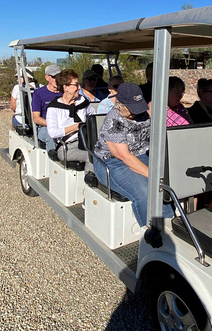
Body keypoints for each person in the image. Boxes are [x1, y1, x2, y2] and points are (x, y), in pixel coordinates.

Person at [93, 83, 174, 227]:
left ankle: (170, 226)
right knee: (145, 192)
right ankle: (152, 234)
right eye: (131, 109)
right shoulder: (114, 121)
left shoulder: (141, 112)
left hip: (140, 154)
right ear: (119, 104)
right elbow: (124, 156)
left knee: (169, 181)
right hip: (111, 162)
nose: (135, 113)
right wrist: (154, 175)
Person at [46, 69, 96, 172]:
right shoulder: (54, 108)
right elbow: (52, 132)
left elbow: (94, 116)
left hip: (86, 140)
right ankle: (89, 184)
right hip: (67, 147)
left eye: (79, 84)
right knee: (91, 156)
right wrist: (76, 127)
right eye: (76, 85)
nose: (79, 88)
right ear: (65, 87)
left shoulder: (82, 102)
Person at [32, 64, 62, 151]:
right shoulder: (38, 93)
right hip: (45, 127)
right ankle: (52, 161)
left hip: (64, 125)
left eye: (59, 76)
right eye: (54, 77)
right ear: (47, 77)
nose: (57, 79)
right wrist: (53, 125)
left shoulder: (65, 92)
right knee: (52, 136)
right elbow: (36, 118)